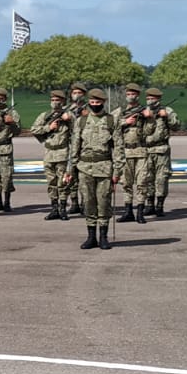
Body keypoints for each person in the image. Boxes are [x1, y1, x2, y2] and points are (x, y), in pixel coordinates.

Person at [70, 87, 120, 250]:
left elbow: (118, 147)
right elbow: (75, 146)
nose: (94, 105)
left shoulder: (111, 121)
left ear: (103, 102)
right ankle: (91, 237)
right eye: (92, 102)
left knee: (104, 202)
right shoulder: (81, 121)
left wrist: (117, 171)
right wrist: (72, 169)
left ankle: (103, 237)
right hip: (85, 168)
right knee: (89, 203)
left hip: (104, 168)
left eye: (97, 102)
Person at [29, 89, 74, 221]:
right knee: (51, 182)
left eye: (58, 100)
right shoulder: (45, 116)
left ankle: (63, 208)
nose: (55, 103)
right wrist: (49, 127)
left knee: (63, 183)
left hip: (63, 152)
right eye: (53, 100)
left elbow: (77, 132)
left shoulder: (69, 116)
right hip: (49, 153)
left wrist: (69, 120)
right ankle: (54, 208)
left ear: (63, 102)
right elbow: (34, 129)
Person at [116, 82, 150, 225]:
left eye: (133, 94)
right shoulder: (119, 112)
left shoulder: (144, 111)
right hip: (125, 151)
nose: (131, 96)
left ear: (138, 95)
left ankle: (140, 212)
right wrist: (125, 122)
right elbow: (110, 127)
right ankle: (128, 211)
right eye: (128, 94)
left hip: (141, 150)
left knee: (142, 182)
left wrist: (149, 118)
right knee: (126, 183)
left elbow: (150, 131)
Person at [142, 88, 179, 217]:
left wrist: (167, 117)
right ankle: (149, 204)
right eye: (148, 98)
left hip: (161, 149)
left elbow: (176, 126)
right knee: (147, 178)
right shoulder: (143, 111)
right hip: (146, 149)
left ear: (158, 99)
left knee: (161, 178)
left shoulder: (168, 111)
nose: (150, 101)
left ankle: (160, 205)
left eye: (153, 98)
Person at [0, 88, 19, 213]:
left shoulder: (12, 112)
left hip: (5, 148)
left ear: (5, 99)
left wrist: (11, 123)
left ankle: (7, 202)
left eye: (1, 98)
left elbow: (18, 131)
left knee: (6, 176)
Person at [63, 81, 90, 214]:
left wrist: (88, 115)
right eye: (74, 93)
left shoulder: (90, 109)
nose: (77, 95)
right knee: (71, 175)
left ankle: (85, 203)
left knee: (84, 177)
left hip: (85, 147)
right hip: (70, 146)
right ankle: (74, 202)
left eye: (80, 93)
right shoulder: (66, 110)